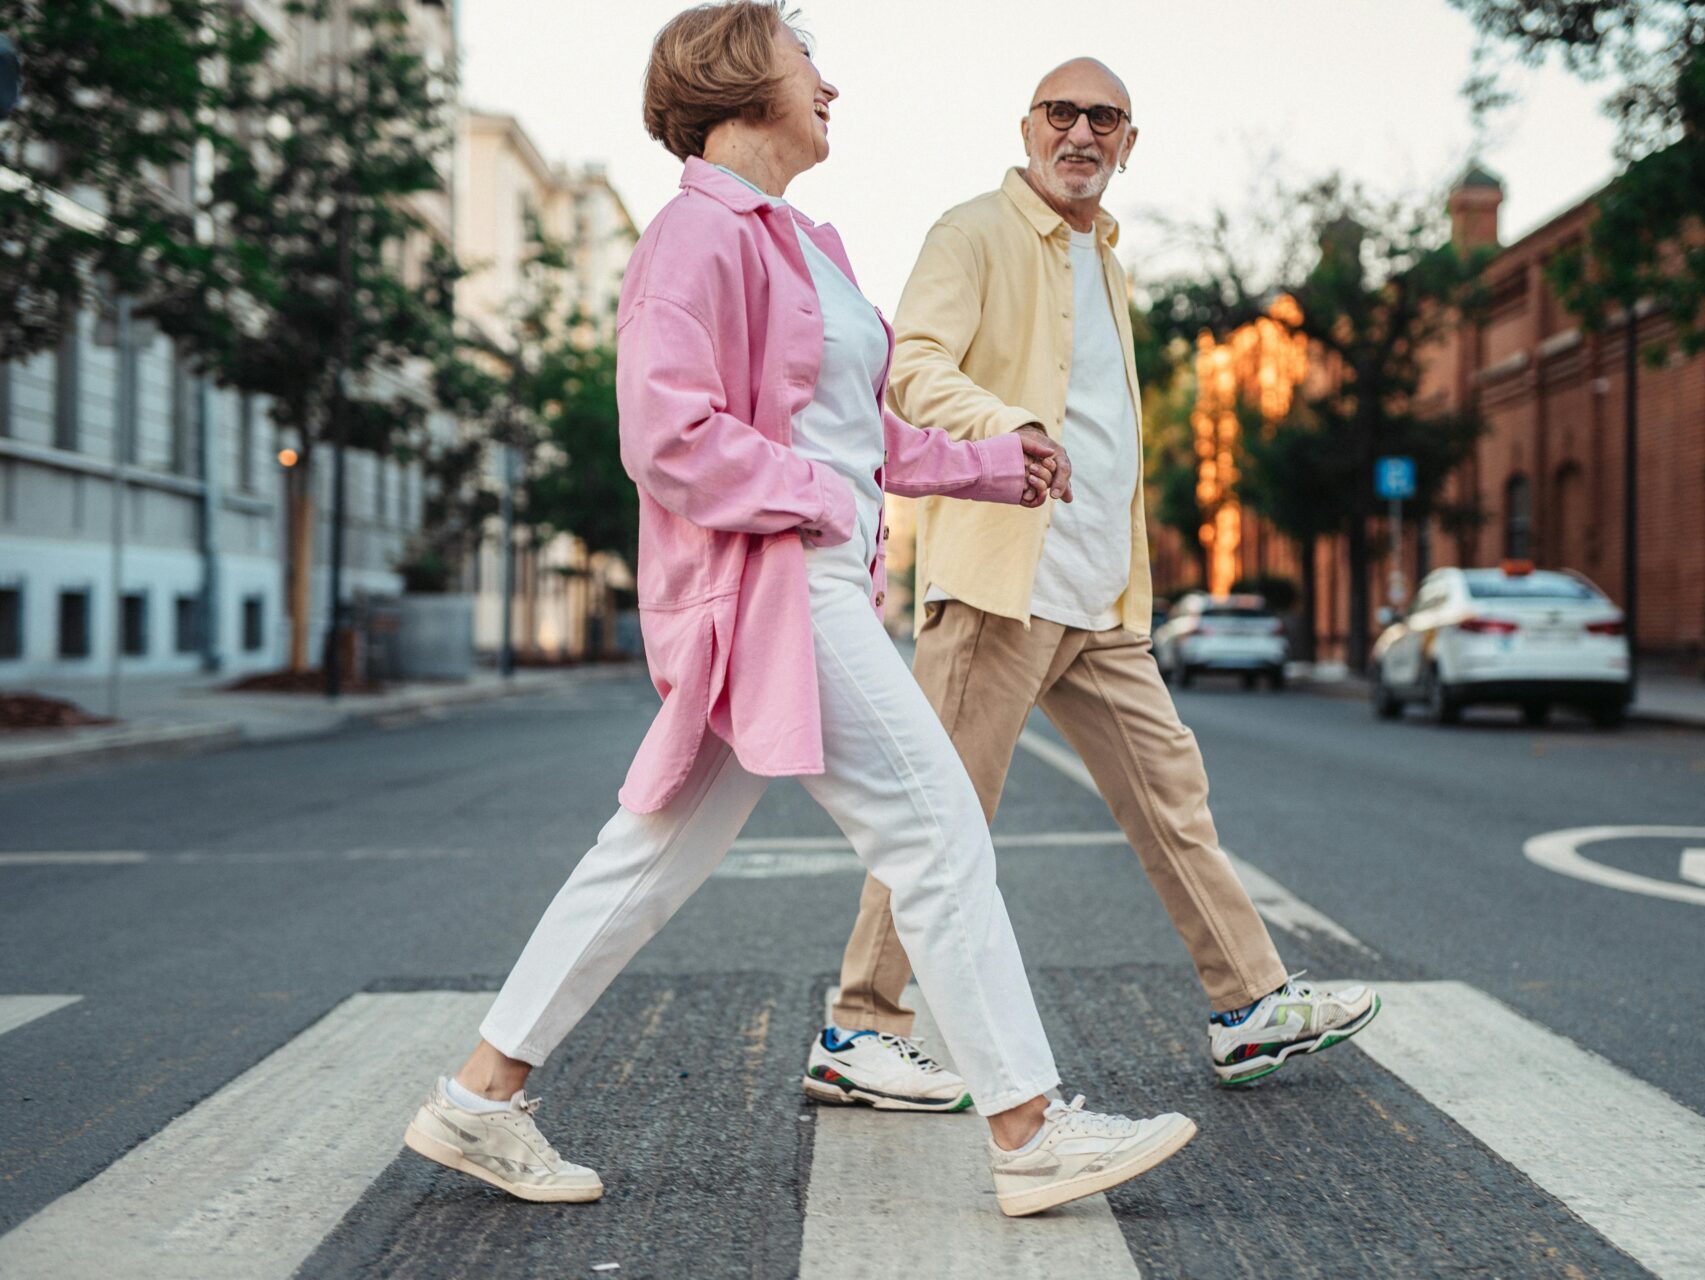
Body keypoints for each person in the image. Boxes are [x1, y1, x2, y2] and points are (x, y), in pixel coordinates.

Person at [402, 2, 1196, 1218]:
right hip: (778, 583)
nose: (830, 83)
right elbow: (665, 434)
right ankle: (1031, 1130)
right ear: (738, 80)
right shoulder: (691, 235)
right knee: (937, 834)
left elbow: (854, 430)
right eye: (807, 58)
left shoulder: (799, 243)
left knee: (650, 856)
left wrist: (992, 463)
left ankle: (477, 1094)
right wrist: (819, 498)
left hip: (803, 572)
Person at [807, 56, 1380, 1112]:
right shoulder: (970, 232)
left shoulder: (1107, 260)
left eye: (1103, 118)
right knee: (942, 815)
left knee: (1172, 797)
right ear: (1027, 127)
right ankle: (859, 1025)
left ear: (1127, 141)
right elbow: (912, 366)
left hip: (1100, 594)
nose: (1081, 132)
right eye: (1061, 113)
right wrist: (1002, 424)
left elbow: (1108, 427)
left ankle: (1248, 1002)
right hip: (1000, 584)